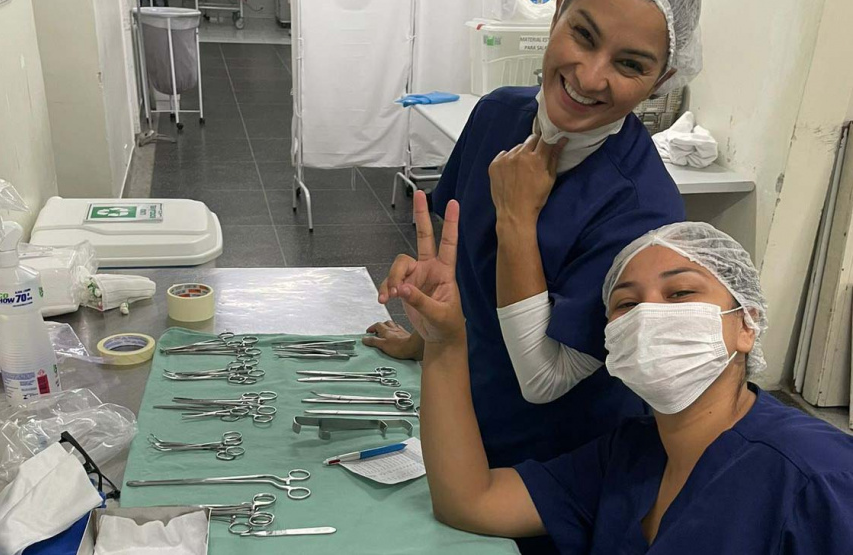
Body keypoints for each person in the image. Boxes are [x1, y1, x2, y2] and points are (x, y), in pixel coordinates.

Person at [366, 0, 704, 469]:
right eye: (584, 35)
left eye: (630, 64)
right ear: (557, 13)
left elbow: (546, 379)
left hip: (561, 460)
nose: (590, 78)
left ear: (662, 80)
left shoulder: (643, 209)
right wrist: (423, 338)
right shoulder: (496, 114)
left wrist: (517, 220)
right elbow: (462, 266)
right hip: (466, 412)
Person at [403, 212, 853, 553]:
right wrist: (445, 343)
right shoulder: (630, 455)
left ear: (747, 325)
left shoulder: (818, 477)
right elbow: (471, 501)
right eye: (626, 305)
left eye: (680, 293)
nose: (649, 316)